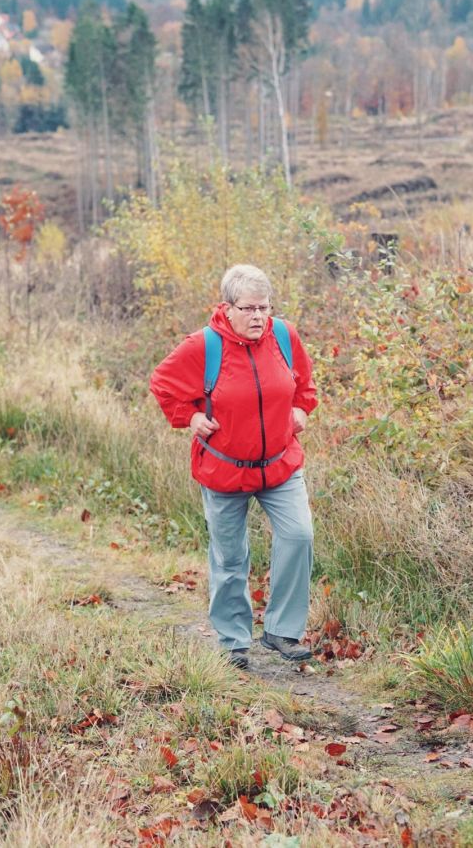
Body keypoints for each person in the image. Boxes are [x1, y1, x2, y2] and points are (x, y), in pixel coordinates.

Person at [150, 264, 318, 670]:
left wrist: (300, 409)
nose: (259, 316)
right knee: (230, 558)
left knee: (299, 536)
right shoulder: (203, 346)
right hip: (225, 469)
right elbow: (162, 383)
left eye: (265, 307)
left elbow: (304, 385)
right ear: (227, 308)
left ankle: (281, 631)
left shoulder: (283, 336)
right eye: (249, 308)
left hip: (279, 464)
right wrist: (189, 418)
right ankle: (233, 642)